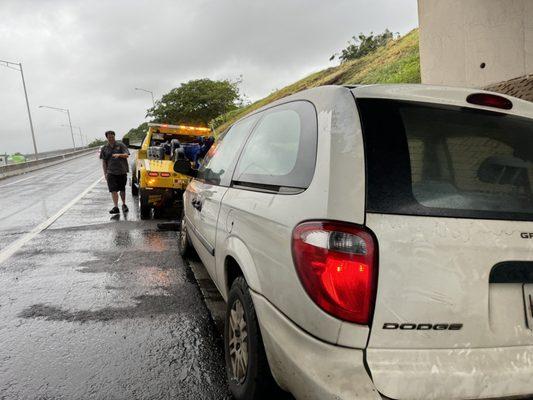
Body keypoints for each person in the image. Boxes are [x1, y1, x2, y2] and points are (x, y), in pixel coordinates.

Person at [100, 130, 130, 214]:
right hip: (111, 172)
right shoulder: (104, 148)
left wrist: (119, 155)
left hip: (121, 171)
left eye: (112, 137)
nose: (111, 138)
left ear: (114, 137)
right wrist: (105, 173)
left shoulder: (120, 145)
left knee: (122, 189)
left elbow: (127, 155)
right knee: (113, 190)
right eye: (109, 137)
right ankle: (116, 207)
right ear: (107, 138)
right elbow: (104, 162)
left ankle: (124, 204)